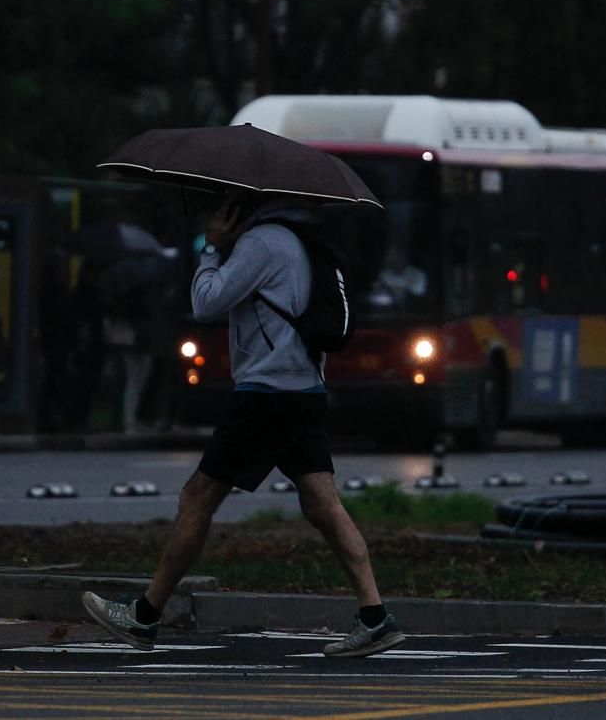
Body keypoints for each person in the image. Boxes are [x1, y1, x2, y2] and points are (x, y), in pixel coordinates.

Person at [82, 190, 405, 658]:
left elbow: (206, 303)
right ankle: (374, 616)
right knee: (323, 505)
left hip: (267, 394)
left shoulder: (265, 242)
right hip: (305, 390)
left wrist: (212, 248)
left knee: (197, 497)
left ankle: (144, 616)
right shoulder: (305, 238)